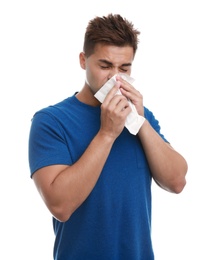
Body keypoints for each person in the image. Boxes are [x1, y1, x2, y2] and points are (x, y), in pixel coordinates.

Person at [28, 13, 188, 260]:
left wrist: (140, 122)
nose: (115, 77)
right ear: (83, 60)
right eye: (104, 66)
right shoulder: (50, 121)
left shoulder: (139, 116)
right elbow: (60, 206)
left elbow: (177, 181)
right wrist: (107, 134)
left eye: (124, 68)